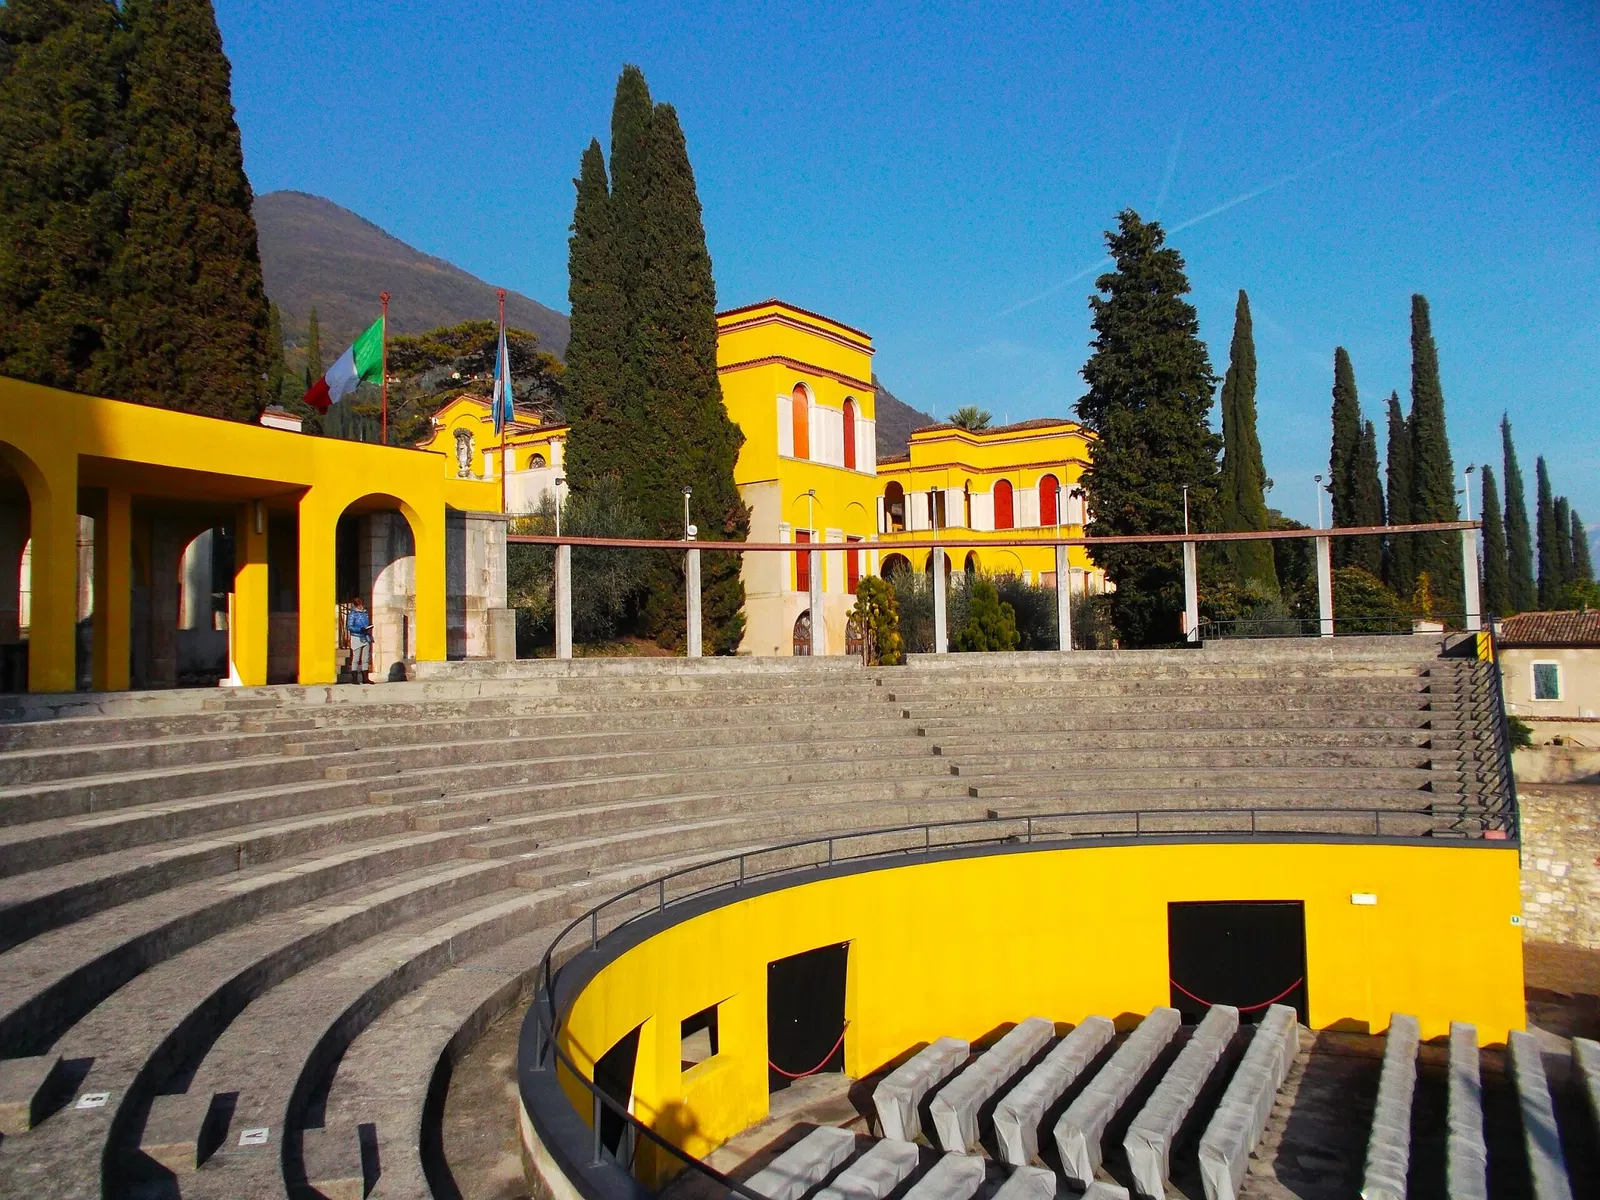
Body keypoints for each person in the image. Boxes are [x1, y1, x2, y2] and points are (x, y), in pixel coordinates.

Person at [346, 596, 373, 683]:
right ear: (355, 605)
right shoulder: (352, 614)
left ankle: (365, 678)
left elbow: (366, 622)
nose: (360, 607)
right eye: (358, 605)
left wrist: (368, 628)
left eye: (361, 605)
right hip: (357, 636)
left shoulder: (365, 613)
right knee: (356, 658)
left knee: (366, 658)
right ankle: (354, 678)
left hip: (365, 636)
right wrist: (359, 629)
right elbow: (349, 626)